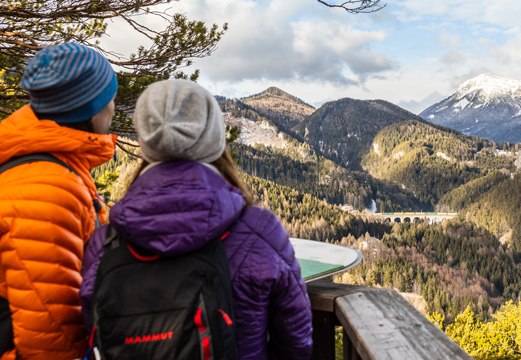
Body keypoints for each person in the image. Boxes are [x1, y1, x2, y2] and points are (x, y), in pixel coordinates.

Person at [80, 79, 313, 359]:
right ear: (214, 140)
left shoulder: (106, 242)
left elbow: (89, 331)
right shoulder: (258, 230)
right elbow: (296, 341)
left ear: (147, 141)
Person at [0, 42, 118, 359]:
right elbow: (51, 333)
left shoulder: (44, 163)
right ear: (90, 109)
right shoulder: (48, 189)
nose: (114, 106)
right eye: (109, 97)